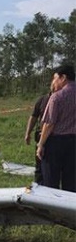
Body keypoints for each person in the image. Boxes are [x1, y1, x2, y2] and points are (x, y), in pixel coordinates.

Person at [36, 64, 76, 192]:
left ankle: (51, 209)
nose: (54, 82)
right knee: (71, 181)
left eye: (55, 78)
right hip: (73, 142)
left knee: (51, 181)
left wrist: (41, 144)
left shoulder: (57, 97)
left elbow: (49, 123)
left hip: (56, 142)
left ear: (63, 77)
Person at [24, 90, 53, 184]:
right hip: (40, 137)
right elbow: (33, 117)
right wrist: (28, 133)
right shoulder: (42, 99)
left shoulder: (61, 99)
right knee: (39, 167)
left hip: (55, 138)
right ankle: (39, 187)